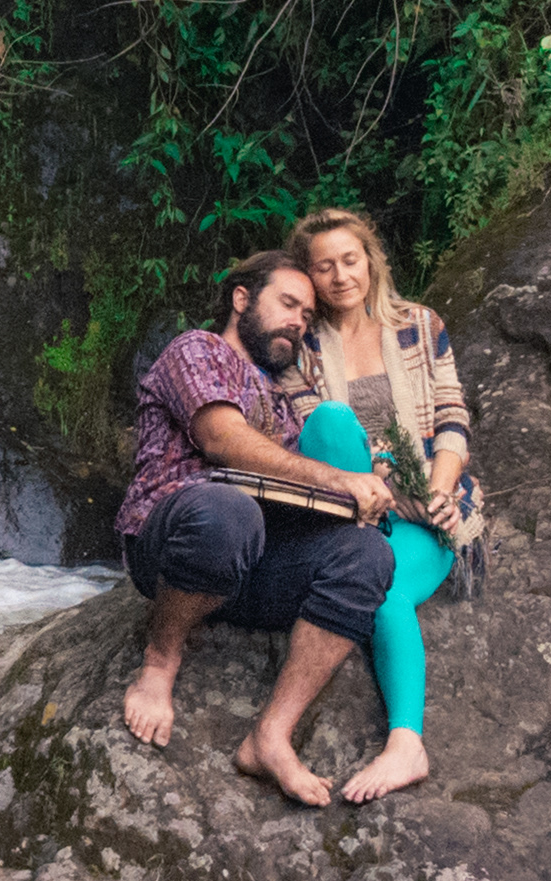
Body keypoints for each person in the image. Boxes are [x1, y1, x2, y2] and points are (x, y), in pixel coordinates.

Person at [112, 248, 398, 806]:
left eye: (306, 316)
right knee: (228, 511)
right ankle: (161, 660)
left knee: (369, 556)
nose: (298, 320)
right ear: (242, 298)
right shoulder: (195, 350)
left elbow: (296, 486)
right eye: (288, 303)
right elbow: (221, 439)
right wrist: (335, 477)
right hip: (175, 541)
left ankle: (270, 736)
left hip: (251, 566)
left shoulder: (282, 399)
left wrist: (372, 485)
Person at [285, 206, 484, 805]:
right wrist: (390, 490)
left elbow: (452, 417)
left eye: (351, 260)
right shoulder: (300, 347)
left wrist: (441, 493)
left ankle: (406, 744)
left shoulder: (421, 325)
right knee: (332, 420)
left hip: (433, 508)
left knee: (386, 586)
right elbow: (310, 435)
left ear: (371, 261)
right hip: (351, 506)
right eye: (325, 267)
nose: (342, 276)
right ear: (309, 278)